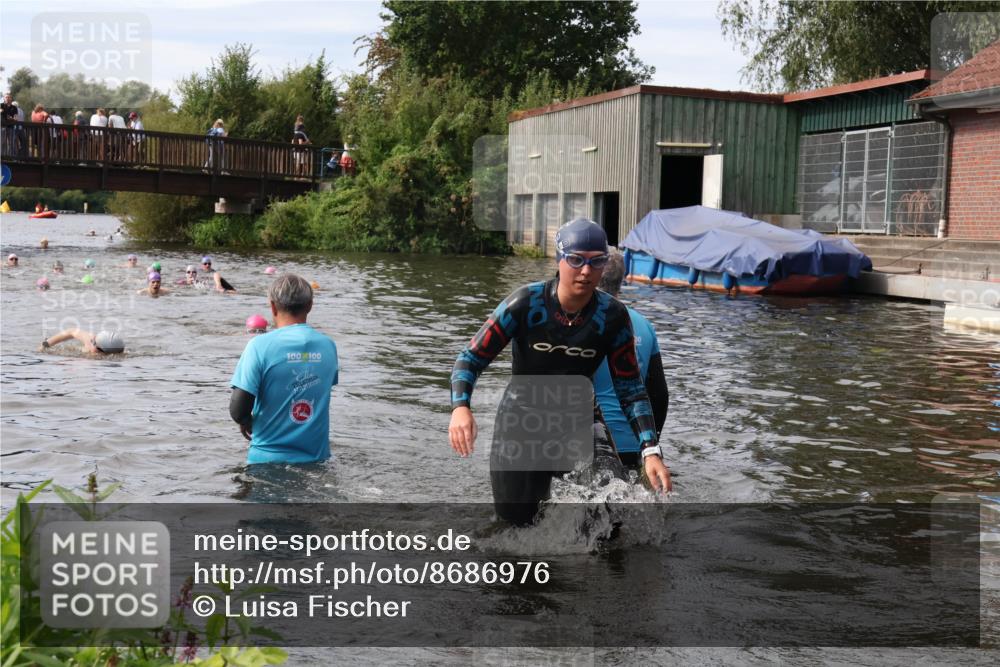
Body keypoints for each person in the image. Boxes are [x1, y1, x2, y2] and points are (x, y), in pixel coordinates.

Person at [448, 218, 672, 525]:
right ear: (559, 259)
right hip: (522, 423)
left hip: (580, 420)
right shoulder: (525, 304)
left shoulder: (613, 316)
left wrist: (650, 451)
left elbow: (632, 390)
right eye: (576, 260)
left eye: (596, 262)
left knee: (613, 509)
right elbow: (470, 359)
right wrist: (461, 408)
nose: (585, 271)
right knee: (515, 528)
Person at [229, 274, 339, 464]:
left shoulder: (259, 346)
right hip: (317, 460)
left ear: (272, 306)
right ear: (310, 305)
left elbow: (238, 410)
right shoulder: (328, 346)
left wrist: (246, 421)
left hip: (266, 460)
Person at [593, 250, 669, 470]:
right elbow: (660, 395)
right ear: (622, 280)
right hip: (636, 445)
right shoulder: (644, 325)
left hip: (594, 444)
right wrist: (650, 445)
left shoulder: (584, 325)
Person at [41, 329, 125, 355]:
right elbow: (72, 331)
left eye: (93, 342)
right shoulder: (89, 341)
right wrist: (46, 344)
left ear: (97, 349)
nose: (91, 341)